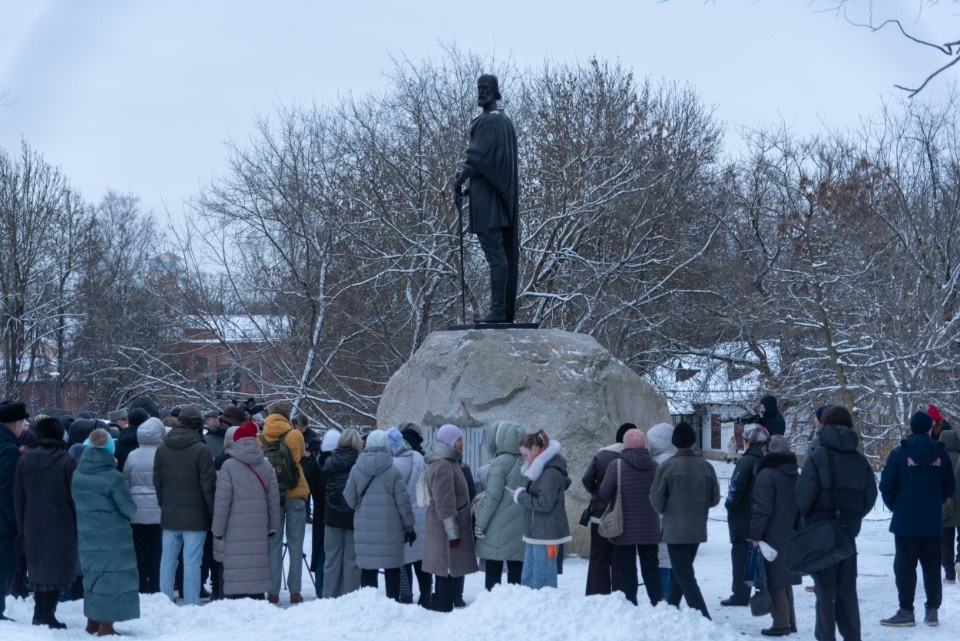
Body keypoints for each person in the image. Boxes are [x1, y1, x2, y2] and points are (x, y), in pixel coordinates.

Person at [795, 405, 877, 641]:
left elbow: (803, 497)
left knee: (824, 592)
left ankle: (826, 637)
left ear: (826, 425)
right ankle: (853, 637)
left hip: (821, 535)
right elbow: (870, 496)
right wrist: (852, 516)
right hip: (847, 534)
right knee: (847, 591)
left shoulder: (818, 456)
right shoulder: (860, 461)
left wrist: (813, 518)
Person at [453, 73, 520, 324]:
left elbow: (477, 159)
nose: (481, 93)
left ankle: (498, 311)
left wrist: (459, 180)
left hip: (488, 205)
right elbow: (492, 166)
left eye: (486, 88)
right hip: (492, 197)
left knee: (495, 256)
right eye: (479, 88)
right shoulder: (502, 121)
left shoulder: (491, 122)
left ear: (495, 91)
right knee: (497, 254)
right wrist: (470, 189)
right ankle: (499, 310)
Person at [879, 410, 955, 627]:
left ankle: (906, 611)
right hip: (932, 521)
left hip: (905, 522)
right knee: (932, 566)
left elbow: (886, 486)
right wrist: (933, 503)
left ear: (911, 428)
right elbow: (949, 486)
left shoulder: (898, 454)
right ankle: (932, 611)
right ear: (930, 428)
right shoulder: (941, 455)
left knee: (905, 567)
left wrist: (898, 507)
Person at [72, 428, 139, 636]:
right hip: (112, 537)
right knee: (111, 580)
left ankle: (92, 622)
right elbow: (129, 508)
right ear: (110, 451)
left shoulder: (78, 474)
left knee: (93, 578)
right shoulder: (112, 477)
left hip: (87, 535)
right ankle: (106, 627)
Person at [650, 421, 720, 620]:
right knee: (682, 573)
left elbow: (656, 501)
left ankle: (704, 619)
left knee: (685, 576)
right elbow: (714, 499)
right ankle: (670, 609)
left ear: (674, 443)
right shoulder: (706, 466)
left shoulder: (666, 467)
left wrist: (671, 512)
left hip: (674, 529)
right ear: (693, 442)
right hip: (697, 529)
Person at [13, 416, 76, 629]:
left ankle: (39, 613)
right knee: (57, 569)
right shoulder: (67, 460)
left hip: (32, 522)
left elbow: (18, 495)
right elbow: (73, 494)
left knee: (38, 569)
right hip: (62, 521)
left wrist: (21, 524)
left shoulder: (25, 460)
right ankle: (48, 613)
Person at [153, 404, 217, 606]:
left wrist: (164, 503)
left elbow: (158, 481)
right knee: (192, 563)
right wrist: (212, 512)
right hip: (196, 515)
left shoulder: (162, 448)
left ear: (179, 421)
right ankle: (191, 603)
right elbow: (208, 486)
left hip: (170, 511)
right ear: (199, 425)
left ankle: (164, 601)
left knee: (167, 561)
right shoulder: (202, 449)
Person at [211, 421, 281, 599]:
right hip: (258, 528)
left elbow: (222, 501)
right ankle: (257, 599)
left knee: (237, 566)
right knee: (256, 565)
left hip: (234, 529)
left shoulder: (228, 466)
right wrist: (273, 526)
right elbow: (274, 499)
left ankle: (236, 605)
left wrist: (218, 530)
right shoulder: (266, 466)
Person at [345, 429, 415, 602]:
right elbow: (403, 503)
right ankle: (392, 603)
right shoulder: (393, 471)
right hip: (390, 530)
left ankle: (370, 606)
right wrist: (409, 527)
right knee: (392, 570)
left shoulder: (356, 469)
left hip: (365, 529)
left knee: (368, 571)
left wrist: (361, 509)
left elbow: (349, 498)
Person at [596, 428, 661, 606]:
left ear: (625, 444)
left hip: (623, 528)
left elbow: (603, 493)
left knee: (626, 569)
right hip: (650, 528)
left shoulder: (616, 466)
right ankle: (658, 604)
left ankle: (631, 605)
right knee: (651, 568)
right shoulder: (655, 467)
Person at [422, 424, 478, 610]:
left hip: (446, 525)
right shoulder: (444, 465)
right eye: (458, 439)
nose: (461, 443)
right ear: (448, 441)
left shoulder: (448, 462)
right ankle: (442, 607)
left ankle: (443, 605)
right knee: (445, 567)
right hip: (446, 527)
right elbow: (444, 502)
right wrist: (453, 533)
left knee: (448, 568)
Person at [749, 435, 801, 637]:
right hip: (790, 532)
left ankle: (780, 624)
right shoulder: (794, 473)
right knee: (784, 577)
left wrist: (755, 535)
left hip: (771, 533)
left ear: (768, 452)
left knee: (774, 579)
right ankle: (790, 622)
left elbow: (761, 510)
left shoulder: (767, 474)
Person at [259, 402, 309, 605]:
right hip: (296, 493)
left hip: (272, 496)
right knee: (296, 545)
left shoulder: (259, 437)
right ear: (288, 417)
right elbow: (300, 458)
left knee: (273, 545)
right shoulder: (295, 435)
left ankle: (273, 592)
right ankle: (295, 592)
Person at [509, 429, 571, 590]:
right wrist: (520, 494)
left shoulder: (549, 472)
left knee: (542, 582)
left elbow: (545, 503)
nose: (525, 459)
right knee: (530, 579)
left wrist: (521, 496)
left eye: (525, 454)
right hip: (537, 532)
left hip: (545, 534)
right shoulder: (542, 469)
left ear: (536, 450)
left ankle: (546, 612)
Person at [473, 420, 526, 591]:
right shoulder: (527, 461)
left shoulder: (499, 463)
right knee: (516, 569)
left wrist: (479, 524)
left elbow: (492, 497)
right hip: (521, 526)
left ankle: (492, 606)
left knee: (494, 571)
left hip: (498, 527)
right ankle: (516, 606)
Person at [580, 422, 632, 595]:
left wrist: (597, 493)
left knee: (598, 557)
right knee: (620, 558)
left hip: (599, 516)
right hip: (624, 517)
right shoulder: (632, 457)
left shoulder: (601, 455)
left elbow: (587, 479)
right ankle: (620, 594)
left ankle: (596, 594)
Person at [722, 423, 769, 606]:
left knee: (740, 555)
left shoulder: (747, 460)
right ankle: (752, 591)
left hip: (742, 516)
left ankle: (740, 594)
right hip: (757, 514)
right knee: (753, 555)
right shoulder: (764, 459)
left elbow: (736, 489)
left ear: (748, 441)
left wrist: (729, 505)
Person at [122, 416, 166, 594]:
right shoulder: (163, 453)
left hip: (137, 511)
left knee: (140, 550)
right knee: (157, 550)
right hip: (158, 510)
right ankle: (155, 584)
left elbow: (126, 482)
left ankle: (140, 584)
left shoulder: (132, 455)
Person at [386, 426, 430, 605]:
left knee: (403, 560)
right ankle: (426, 595)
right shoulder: (419, 458)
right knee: (421, 558)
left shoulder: (391, 464)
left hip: (401, 519)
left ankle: (406, 595)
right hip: (421, 515)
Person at [322, 427, 362, 598]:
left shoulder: (329, 461)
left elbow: (324, 486)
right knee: (352, 561)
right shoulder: (360, 462)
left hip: (332, 515)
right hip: (354, 516)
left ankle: (329, 597)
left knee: (331, 560)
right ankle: (350, 599)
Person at [0, 400, 28, 622]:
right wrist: (17, 522)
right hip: (2, 522)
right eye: (23, 422)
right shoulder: (9, 450)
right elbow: (6, 491)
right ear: (15, 423)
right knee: (3, 567)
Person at [646, 422, 675, 597]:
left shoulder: (657, 463)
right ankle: (673, 594)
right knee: (672, 557)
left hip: (660, 517)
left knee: (662, 557)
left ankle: (665, 595)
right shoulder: (674, 459)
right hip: (679, 518)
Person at [938, 426, 960, 583]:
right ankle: (959, 561)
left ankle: (950, 574)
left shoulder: (937, 459)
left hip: (945, 506)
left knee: (945, 542)